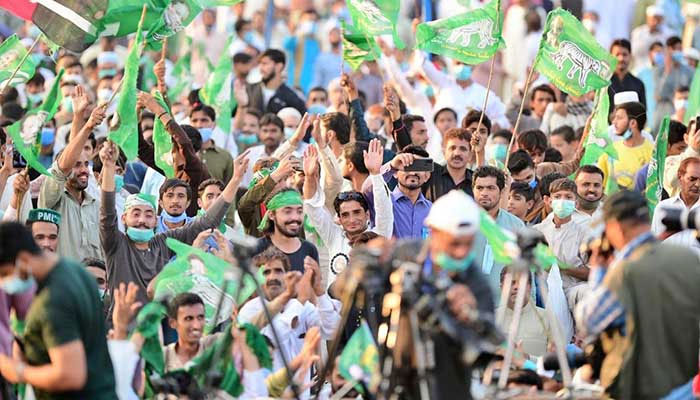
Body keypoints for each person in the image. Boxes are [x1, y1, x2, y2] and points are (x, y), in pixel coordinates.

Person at [99, 140, 248, 321]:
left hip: (158, 328)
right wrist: (108, 167)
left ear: (156, 220)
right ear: (124, 218)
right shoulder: (116, 243)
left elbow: (207, 221)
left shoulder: (163, 241)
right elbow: (107, 212)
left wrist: (235, 180)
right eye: (135, 214)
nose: (142, 220)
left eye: (148, 215)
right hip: (121, 327)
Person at [576, 190, 700, 399]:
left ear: (614, 226)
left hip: (638, 386)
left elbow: (589, 321)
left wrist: (598, 272)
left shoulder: (626, 271)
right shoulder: (688, 257)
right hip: (684, 383)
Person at [0, 222, 117, 399]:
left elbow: (70, 375)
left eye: (4, 274)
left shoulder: (53, 300)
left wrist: (18, 371)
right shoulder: (73, 269)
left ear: (23, 261)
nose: (3, 282)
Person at [418, 189, 496, 400]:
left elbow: (484, 345)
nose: (462, 252)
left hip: (450, 387)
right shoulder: (404, 259)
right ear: (433, 232)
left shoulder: (477, 284)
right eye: (454, 244)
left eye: (468, 244)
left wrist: (470, 317)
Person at [303, 140, 393, 285]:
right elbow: (313, 207)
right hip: (337, 306)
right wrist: (309, 178)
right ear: (338, 218)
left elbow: (384, 209)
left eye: (357, 212)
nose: (352, 219)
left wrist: (375, 174)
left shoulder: (379, 235)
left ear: (368, 214)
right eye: (345, 215)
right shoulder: (334, 236)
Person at [238, 247, 339, 372]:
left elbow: (332, 330)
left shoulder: (303, 307)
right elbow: (274, 340)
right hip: (264, 389)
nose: (272, 277)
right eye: (266, 272)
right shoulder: (249, 310)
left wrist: (318, 289)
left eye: (278, 271)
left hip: (301, 389)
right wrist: (299, 300)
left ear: (287, 275)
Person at [38, 87, 106, 260]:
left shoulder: (95, 203)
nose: (84, 170)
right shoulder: (53, 198)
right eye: (77, 165)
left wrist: (79, 115)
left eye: (85, 164)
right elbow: (66, 165)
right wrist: (86, 123)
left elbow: (75, 153)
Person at [137, 92, 211, 217]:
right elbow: (142, 150)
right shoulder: (171, 169)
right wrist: (137, 115)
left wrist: (158, 111)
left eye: (170, 145)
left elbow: (184, 143)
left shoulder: (196, 170)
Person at [533, 178, 590, 309]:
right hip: (543, 292)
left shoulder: (584, 233)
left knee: (587, 292)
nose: (563, 201)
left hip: (571, 291)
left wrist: (560, 266)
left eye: (568, 197)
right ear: (549, 201)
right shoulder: (537, 231)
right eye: (558, 196)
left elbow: (592, 272)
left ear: (576, 203)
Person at [471, 166, 525, 297]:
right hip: (469, 302)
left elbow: (524, 270)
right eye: (479, 188)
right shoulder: (463, 223)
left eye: (490, 188)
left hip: (504, 305)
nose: (484, 193)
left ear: (501, 192)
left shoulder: (516, 225)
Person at [252, 186, 320, 272]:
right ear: (272, 215)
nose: (295, 217)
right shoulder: (257, 248)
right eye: (287, 211)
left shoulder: (309, 250)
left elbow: (315, 284)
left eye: (299, 211)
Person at [598, 101, 653, 190]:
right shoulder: (609, 151)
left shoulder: (652, 153)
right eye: (614, 117)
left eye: (619, 118)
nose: (614, 122)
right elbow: (600, 185)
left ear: (633, 123)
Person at [496, 268, 551, 358]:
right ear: (502, 288)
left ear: (529, 287)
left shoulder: (547, 319)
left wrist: (528, 360)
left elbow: (558, 362)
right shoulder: (491, 320)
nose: (516, 287)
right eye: (511, 283)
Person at [651, 157, 700, 252]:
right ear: (680, 177)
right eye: (692, 179)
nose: (697, 184)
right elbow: (655, 243)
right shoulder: (663, 207)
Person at [389, 145, 432, 239]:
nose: (413, 173)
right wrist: (391, 166)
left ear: (427, 176)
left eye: (418, 167)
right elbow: (368, 189)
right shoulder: (385, 203)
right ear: (395, 173)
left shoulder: (433, 211)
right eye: (407, 167)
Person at [246, 49, 307, 115]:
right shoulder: (249, 90)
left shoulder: (292, 97)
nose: (261, 69)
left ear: (279, 66)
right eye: (260, 64)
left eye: (265, 64)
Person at [422, 128, 475, 202]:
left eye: (463, 149)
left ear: (470, 155)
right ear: (444, 152)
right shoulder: (431, 171)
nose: (457, 153)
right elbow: (409, 161)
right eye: (452, 148)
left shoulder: (476, 181)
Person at [654, 36, 694, 132]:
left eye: (680, 49)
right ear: (667, 51)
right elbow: (659, 95)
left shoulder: (688, 71)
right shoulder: (659, 70)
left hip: (683, 113)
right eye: (675, 49)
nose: (678, 52)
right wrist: (667, 71)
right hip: (664, 111)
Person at [189, 104, 235, 185]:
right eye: (194, 121)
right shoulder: (183, 153)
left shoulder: (225, 156)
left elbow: (230, 188)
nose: (199, 125)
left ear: (214, 124)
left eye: (204, 120)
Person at [608, 39, 647, 113]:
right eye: (617, 54)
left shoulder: (638, 84)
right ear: (611, 57)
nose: (621, 58)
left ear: (630, 56)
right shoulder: (603, 84)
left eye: (624, 54)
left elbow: (642, 114)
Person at [630, 6, 671, 71]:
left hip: (659, 71)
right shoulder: (638, 32)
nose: (656, 22)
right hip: (639, 69)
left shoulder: (668, 35)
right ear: (647, 18)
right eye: (653, 19)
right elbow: (633, 52)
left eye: (658, 20)